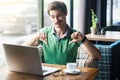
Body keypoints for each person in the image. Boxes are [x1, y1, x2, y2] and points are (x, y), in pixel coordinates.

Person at [22, 1, 101, 66]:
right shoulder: (44, 33)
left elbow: (98, 56)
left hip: (67, 75)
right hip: (48, 76)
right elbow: (21, 49)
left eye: (59, 15)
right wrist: (35, 37)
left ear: (66, 13)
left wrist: (83, 39)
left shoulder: (76, 35)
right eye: (53, 17)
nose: (56, 20)